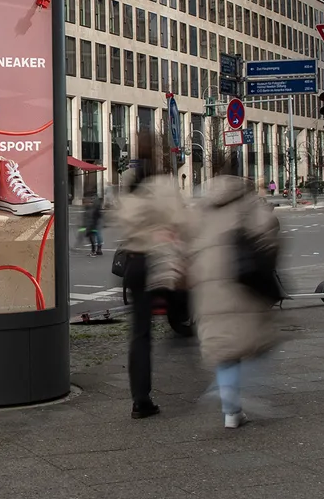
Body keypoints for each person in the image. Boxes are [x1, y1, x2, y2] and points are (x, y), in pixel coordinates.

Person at [186, 151, 282, 430]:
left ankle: (231, 410)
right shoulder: (249, 202)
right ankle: (224, 391)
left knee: (224, 347)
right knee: (258, 345)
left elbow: (189, 241)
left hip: (209, 285)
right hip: (242, 284)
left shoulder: (203, 205)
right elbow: (269, 234)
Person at [111, 130, 189, 420]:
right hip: (160, 264)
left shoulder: (130, 187)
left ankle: (140, 399)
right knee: (185, 306)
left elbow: (121, 221)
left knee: (139, 334)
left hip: (134, 264)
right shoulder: (164, 185)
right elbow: (181, 221)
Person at [86, 192, 106, 256]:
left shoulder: (95, 202)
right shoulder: (97, 201)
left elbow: (95, 212)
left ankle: (95, 250)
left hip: (95, 220)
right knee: (97, 234)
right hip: (96, 220)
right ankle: (98, 249)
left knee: (94, 234)